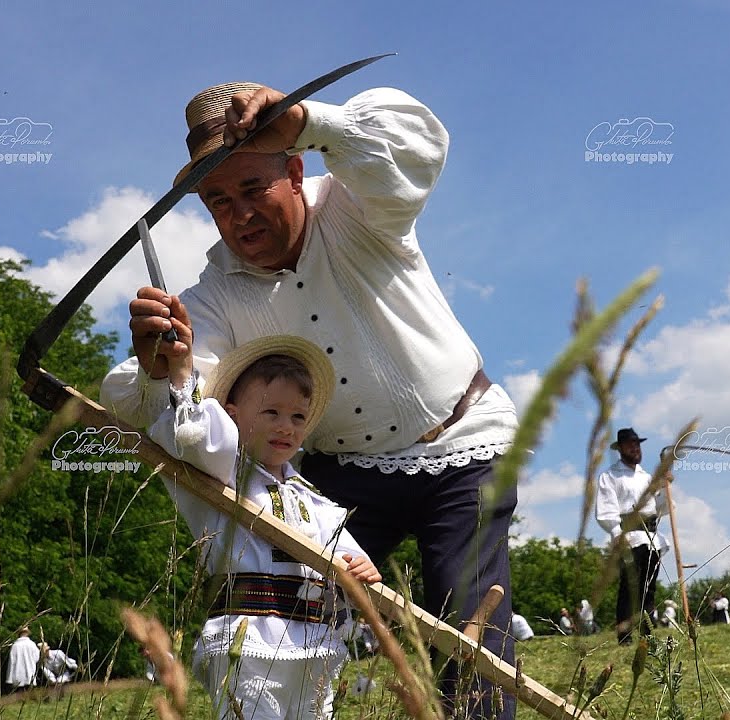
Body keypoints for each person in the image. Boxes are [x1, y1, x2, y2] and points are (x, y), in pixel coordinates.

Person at [102, 81, 520, 718]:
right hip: (337, 476)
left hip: (458, 448)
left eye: (251, 190)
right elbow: (179, 407)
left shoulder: (356, 208)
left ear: (295, 170)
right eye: (217, 200)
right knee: (286, 605)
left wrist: (309, 120)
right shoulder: (215, 297)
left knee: (469, 628)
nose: (238, 215)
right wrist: (166, 369)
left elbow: (417, 150)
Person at [147, 333, 381, 719]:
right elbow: (194, 438)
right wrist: (183, 371)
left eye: (298, 417)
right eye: (271, 412)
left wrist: (360, 566)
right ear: (233, 415)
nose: (285, 426)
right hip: (249, 639)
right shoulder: (223, 476)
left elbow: (344, 551)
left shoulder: (312, 498)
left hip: (313, 644)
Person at [595, 428, 672, 644]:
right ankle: (625, 635)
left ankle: (646, 632)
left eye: (637, 444)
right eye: (630, 444)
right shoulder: (610, 476)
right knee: (630, 587)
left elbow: (662, 508)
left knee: (649, 586)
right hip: (629, 535)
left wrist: (665, 487)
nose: (635, 448)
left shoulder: (647, 477)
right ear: (620, 448)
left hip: (651, 536)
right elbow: (606, 509)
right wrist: (618, 534)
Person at [5, 627, 39, 693]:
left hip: (17, 673)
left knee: (18, 693)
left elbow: (12, 662)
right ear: (27, 633)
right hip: (30, 672)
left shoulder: (15, 645)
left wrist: (9, 677)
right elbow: (36, 658)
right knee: (28, 693)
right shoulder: (32, 644)